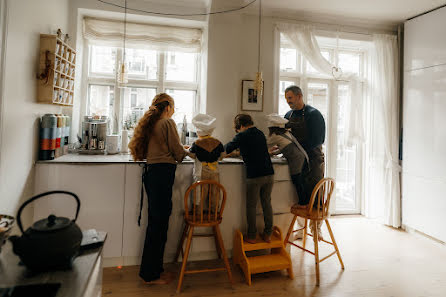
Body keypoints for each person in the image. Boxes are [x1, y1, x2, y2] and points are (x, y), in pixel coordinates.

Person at [129, 93, 188, 285]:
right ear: (169, 107)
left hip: (152, 173)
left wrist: (179, 148)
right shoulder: (167, 123)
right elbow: (178, 153)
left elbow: (162, 148)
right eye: (173, 108)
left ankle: (153, 270)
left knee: (155, 223)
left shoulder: (152, 124)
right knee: (160, 224)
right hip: (163, 174)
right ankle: (152, 275)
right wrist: (189, 150)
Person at [283, 85, 326, 239]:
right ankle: (301, 230)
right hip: (298, 159)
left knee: (315, 193)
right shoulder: (287, 115)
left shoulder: (314, 114)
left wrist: (299, 148)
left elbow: (318, 139)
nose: (288, 101)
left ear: (299, 96)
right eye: (286, 98)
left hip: (314, 159)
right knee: (300, 195)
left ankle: (316, 229)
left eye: (290, 98)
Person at [225, 114, 274, 243]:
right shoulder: (260, 133)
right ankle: (268, 234)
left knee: (251, 206)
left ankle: (252, 236)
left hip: (255, 175)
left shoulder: (242, 135)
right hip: (269, 173)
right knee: (266, 203)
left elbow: (227, 148)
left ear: (240, 126)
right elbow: (251, 150)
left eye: (237, 129)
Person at [266, 114, 309, 206]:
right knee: (301, 180)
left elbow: (264, 144)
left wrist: (270, 152)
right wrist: (273, 153)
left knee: (296, 180)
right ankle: (305, 201)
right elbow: (284, 147)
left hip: (296, 159)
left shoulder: (275, 136)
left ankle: (303, 203)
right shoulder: (286, 133)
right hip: (302, 156)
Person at [188, 113, 225, 209]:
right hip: (214, 171)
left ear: (198, 131)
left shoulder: (197, 143)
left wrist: (185, 151)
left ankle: (198, 213)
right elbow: (222, 156)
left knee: (200, 194)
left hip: (201, 171)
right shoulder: (218, 142)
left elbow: (192, 155)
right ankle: (214, 212)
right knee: (215, 192)